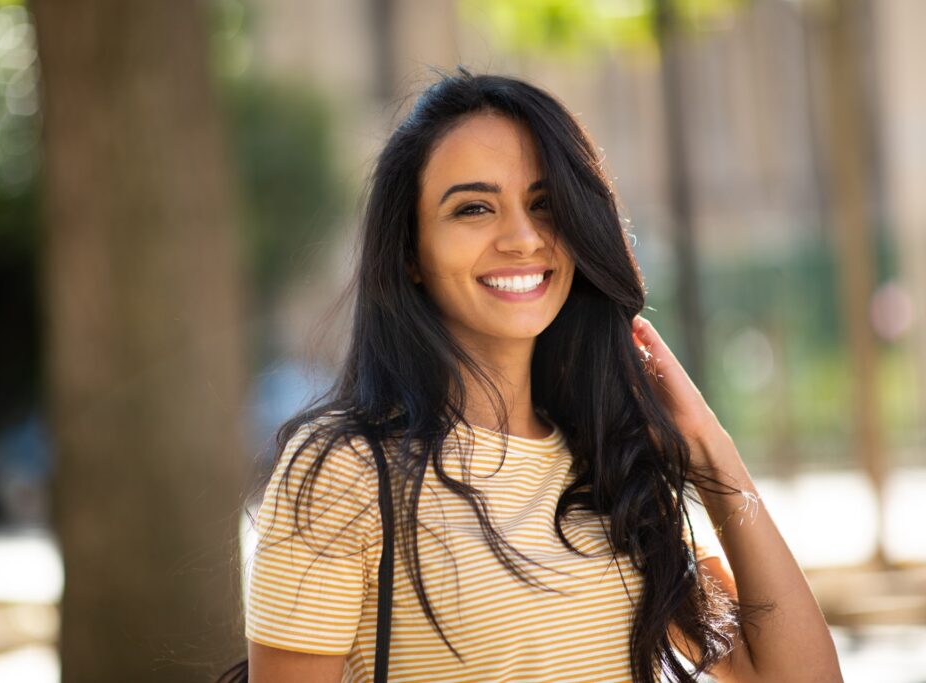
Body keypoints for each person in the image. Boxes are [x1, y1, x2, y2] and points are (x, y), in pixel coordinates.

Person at [231, 68, 842, 682]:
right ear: (411, 253)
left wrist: (710, 452)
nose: (523, 239)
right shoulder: (347, 472)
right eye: (474, 208)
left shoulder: (609, 464)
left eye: (545, 205)